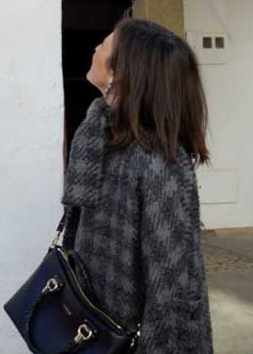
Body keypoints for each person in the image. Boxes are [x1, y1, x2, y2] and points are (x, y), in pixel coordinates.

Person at [62, 18, 213, 353]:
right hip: (90, 328)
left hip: (131, 341)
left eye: (104, 43)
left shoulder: (161, 162)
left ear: (121, 72)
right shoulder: (99, 138)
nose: (96, 48)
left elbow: (174, 286)